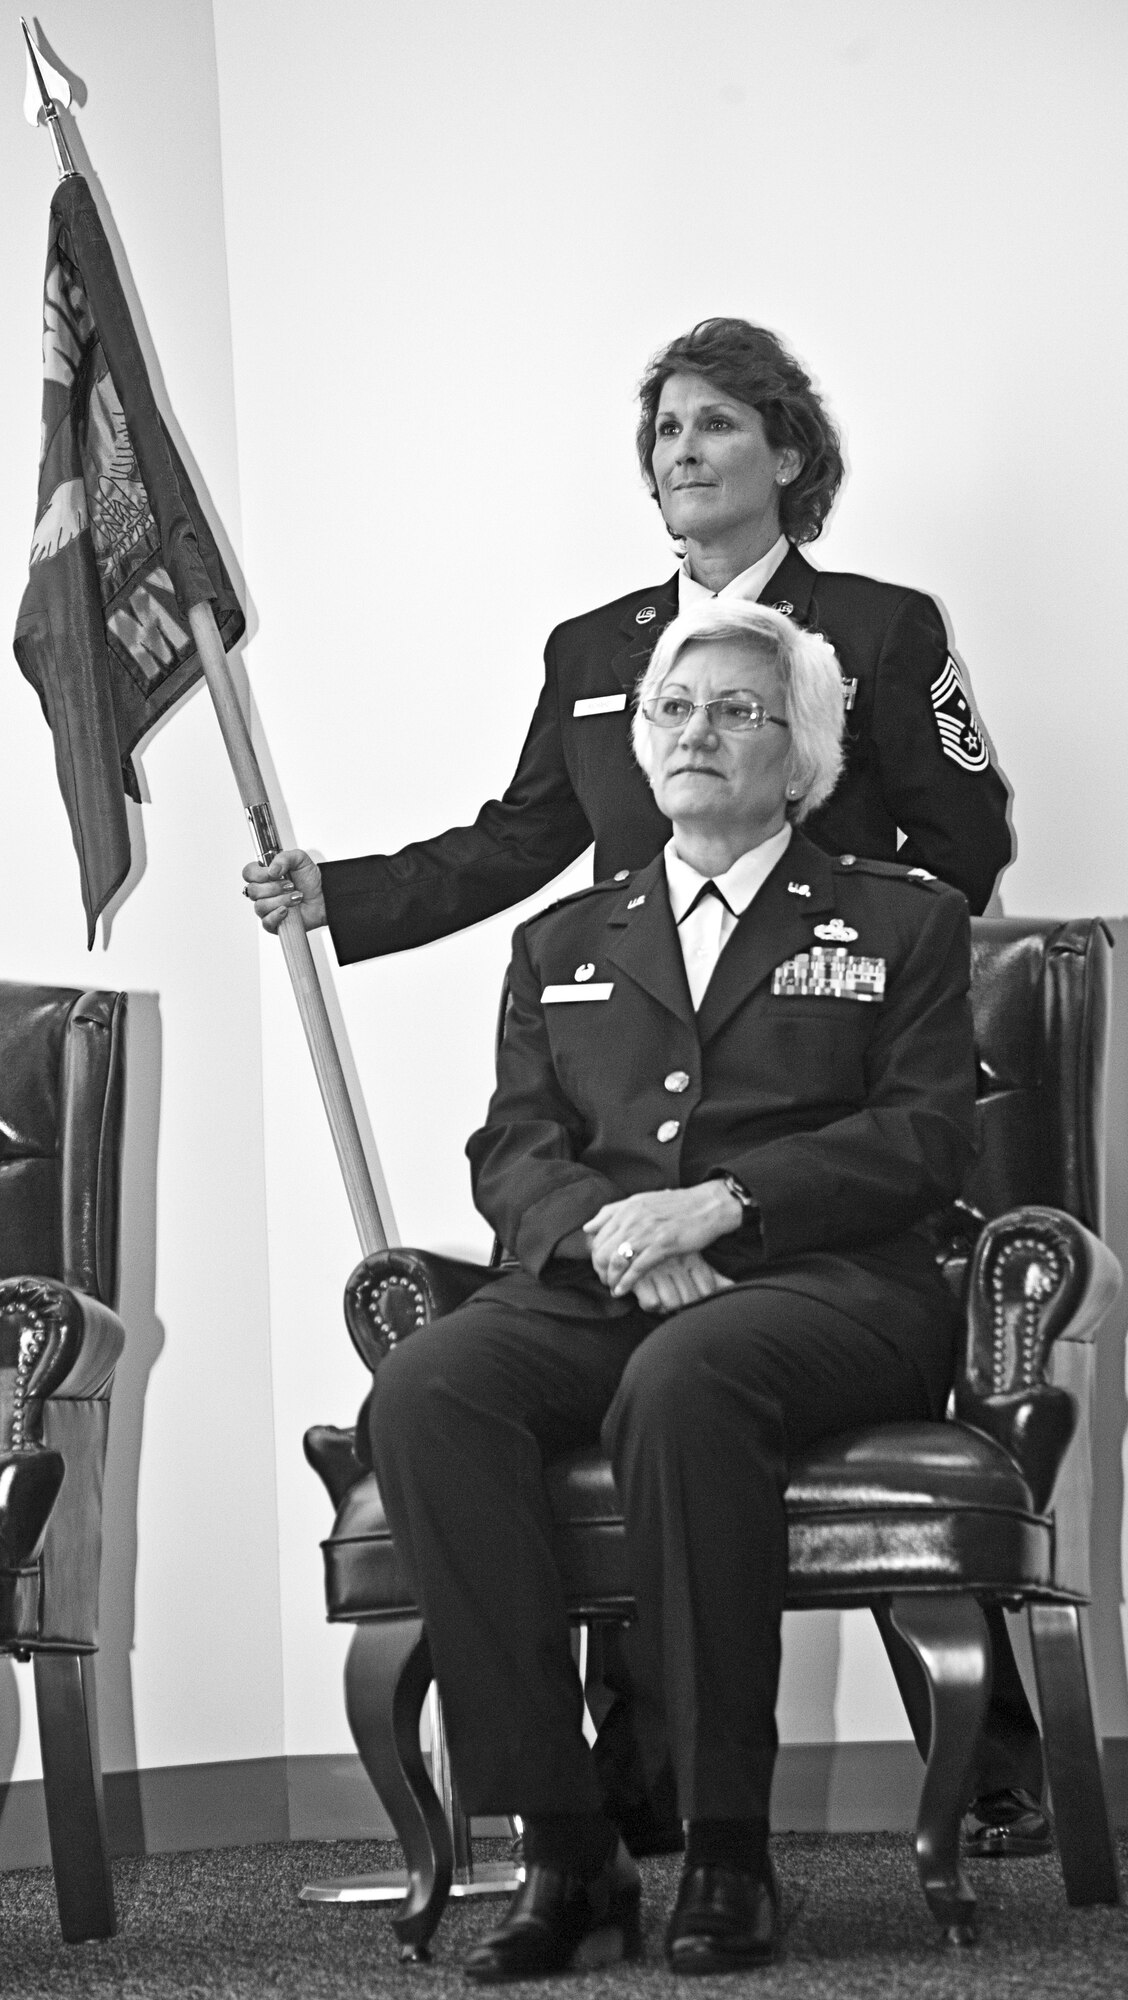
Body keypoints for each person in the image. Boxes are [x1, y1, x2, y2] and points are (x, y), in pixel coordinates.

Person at [243, 319, 1042, 1860]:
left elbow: (967, 831)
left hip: (822, 1078)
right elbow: (518, 837)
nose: (679, 452)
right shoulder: (596, 653)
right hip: (624, 1088)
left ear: (789, 457)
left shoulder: (878, 629)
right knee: (495, 1384)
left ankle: (976, 1763)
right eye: (662, 430)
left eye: (716, 426)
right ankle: (602, 1816)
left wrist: (830, 937)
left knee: (717, 1384)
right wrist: (336, 896)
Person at [365, 599, 977, 1977]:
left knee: (689, 1378)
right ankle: (569, 1847)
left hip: (838, 1289)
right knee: (429, 1388)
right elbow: (513, 1146)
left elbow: (926, 1137)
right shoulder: (564, 939)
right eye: (674, 711)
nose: (698, 732)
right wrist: (603, 1236)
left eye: (739, 711)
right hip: (607, 1278)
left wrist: (731, 1203)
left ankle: (724, 1845)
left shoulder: (902, 922)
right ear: (641, 746)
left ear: (807, 757)